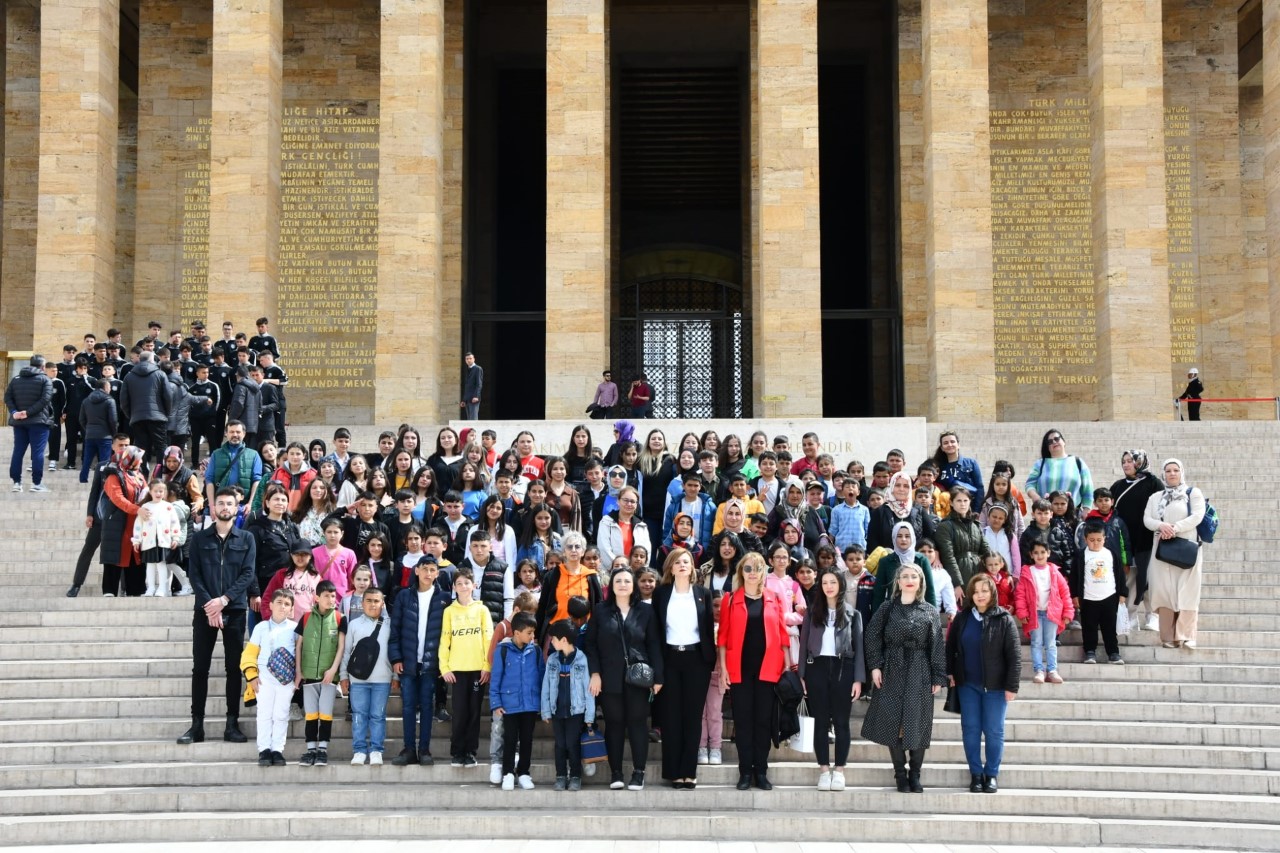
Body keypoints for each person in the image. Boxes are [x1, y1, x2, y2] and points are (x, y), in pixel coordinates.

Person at [178, 486, 257, 746]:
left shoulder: (246, 539)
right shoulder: (201, 539)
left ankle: (231, 725)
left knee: (234, 669)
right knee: (200, 668)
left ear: (237, 508)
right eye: (220, 503)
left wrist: (223, 601)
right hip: (205, 612)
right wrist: (210, 604)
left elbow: (247, 574)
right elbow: (194, 573)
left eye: (229, 504)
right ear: (213, 508)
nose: (224, 507)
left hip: (233, 611)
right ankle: (196, 725)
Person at [861, 562, 947, 793]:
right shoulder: (887, 608)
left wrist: (938, 676)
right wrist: (875, 666)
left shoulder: (929, 610)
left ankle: (915, 774)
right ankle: (900, 774)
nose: (910, 579)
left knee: (917, 722)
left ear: (920, 582)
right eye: (905, 576)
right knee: (892, 722)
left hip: (920, 669)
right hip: (891, 668)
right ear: (898, 582)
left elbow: (937, 644)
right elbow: (871, 636)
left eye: (914, 576)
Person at [583, 566, 664, 790]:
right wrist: (595, 673)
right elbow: (590, 644)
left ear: (634, 585)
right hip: (608, 679)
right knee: (614, 725)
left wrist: (658, 677)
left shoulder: (646, 611)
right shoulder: (600, 611)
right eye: (618, 581)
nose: (623, 585)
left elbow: (654, 644)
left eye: (627, 581)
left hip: (638, 679)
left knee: (638, 725)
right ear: (612, 586)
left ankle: (639, 773)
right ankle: (616, 772)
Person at [717, 551, 791, 791]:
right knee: (743, 721)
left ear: (763, 572)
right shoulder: (730, 599)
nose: (751, 573)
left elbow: (782, 636)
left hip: (769, 670)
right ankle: (745, 771)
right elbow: (723, 639)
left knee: (763, 723)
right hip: (740, 670)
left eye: (756, 569)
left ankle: (761, 771)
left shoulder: (774, 598)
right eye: (747, 569)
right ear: (741, 572)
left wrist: (788, 666)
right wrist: (724, 670)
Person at [945, 572, 1020, 794]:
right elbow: (950, 648)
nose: (980, 595)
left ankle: (992, 774)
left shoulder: (1004, 618)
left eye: (984, 591)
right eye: (976, 591)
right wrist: (950, 673)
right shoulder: (963, 618)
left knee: (994, 731)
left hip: (996, 687)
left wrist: (1011, 686)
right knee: (970, 730)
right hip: (967, 685)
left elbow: (1014, 656)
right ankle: (976, 774)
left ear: (992, 593)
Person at [798, 567, 866, 792]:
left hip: (842, 668)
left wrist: (858, 679)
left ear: (840, 585)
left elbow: (859, 648)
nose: (829, 586)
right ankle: (824, 770)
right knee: (820, 721)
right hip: (816, 667)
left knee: (841, 722)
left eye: (833, 582)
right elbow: (803, 644)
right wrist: (802, 676)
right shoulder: (811, 612)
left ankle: (839, 770)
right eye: (825, 582)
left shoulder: (852, 613)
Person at [652, 548, 715, 789]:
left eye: (686, 562)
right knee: (671, 717)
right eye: (677, 562)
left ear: (692, 567)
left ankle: (689, 771)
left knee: (692, 717)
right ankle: (674, 772)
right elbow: (656, 633)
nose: (681, 565)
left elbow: (708, 629)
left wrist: (708, 661)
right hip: (669, 659)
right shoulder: (661, 594)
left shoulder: (702, 594)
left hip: (696, 659)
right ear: (670, 566)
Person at [389, 555, 449, 766]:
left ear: (437, 573)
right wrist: (396, 657)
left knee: (426, 706)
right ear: (416, 570)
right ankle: (408, 749)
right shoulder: (405, 596)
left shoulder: (444, 598)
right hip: (408, 661)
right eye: (424, 569)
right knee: (407, 707)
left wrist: (445, 662)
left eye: (433, 570)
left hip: (431, 663)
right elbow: (394, 630)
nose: (428, 574)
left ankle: (424, 749)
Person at [1143, 459, 1206, 650]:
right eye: (1168, 470)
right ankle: (1168, 636)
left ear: (1182, 472)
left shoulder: (1192, 493)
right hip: (1162, 549)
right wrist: (1160, 525)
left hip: (1186, 547)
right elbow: (1147, 518)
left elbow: (1197, 515)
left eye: (1176, 470)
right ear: (1163, 474)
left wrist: (1175, 528)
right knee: (1164, 590)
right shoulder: (1155, 497)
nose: (1172, 474)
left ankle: (1186, 636)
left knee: (1188, 590)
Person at [440, 569, 493, 767]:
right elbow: (445, 641)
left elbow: (488, 639)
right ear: (454, 587)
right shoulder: (449, 611)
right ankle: (457, 752)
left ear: (474, 585)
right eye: (459, 583)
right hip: (457, 670)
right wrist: (444, 667)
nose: (463, 586)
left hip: (477, 670)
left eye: (467, 583)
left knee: (474, 713)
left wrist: (487, 666)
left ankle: (470, 752)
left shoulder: (482, 610)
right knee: (460, 712)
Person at [292, 579, 347, 766]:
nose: (331, 599)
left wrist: (333, 670)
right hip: (308, 675)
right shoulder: (306, 618)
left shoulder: (340, 618)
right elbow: (298, 645)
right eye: (327, 596)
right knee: (311, 713)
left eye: (333, 596)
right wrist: (298, 671)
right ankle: (310, 750)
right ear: (317, 597)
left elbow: (341, 647)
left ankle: (322, 749)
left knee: (325, 713)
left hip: (329, 677)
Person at [1110, 450, 1164, 632]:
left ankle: (1153, 615)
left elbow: (1162, 507)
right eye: (1123, 461)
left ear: (1140, 462)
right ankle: (1131, 616)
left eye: (1130, 461)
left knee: (1150, 578)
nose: (1126, 465)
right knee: (1131, 579)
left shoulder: (1154, 483)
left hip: (1148, 539)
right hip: (1126, 541)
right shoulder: (1117, 486)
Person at [489, 610, 545, 790]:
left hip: (530, 704)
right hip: (509, 705)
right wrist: (496, 703)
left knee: (527, 739)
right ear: (517, 632)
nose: (532, 636)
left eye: (533, 632)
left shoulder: (535, 651)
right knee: (510, 739)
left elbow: (542, 677)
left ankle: (524, 773)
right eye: (529, 633)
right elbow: (496, 677)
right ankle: (507, 773)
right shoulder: (503, 650)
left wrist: (543, 703)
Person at [242, 588, 297, 767]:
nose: (283, 607)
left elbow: (300, 654)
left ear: (291, 609)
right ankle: (264, 749)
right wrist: (251, 675)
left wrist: (298, 677)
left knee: (281, 714)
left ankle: (277, 749)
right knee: (264, 713)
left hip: (286, 679)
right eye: (279, 602)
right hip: (264, 677)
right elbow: (250, 653)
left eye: (287, 604)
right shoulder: (261, 627)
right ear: (271, 605)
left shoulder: (295, 628)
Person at [541, 618, 596, 791]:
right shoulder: (552, 660)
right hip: (557, 710)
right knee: (560, 745)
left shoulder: (581, 660)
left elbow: (589, 689)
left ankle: (575, 776)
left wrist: (589, 716)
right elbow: (546, 687)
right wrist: (545, 710)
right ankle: (560, 776)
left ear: (564, 640)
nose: (551, 642)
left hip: (576, 712)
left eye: (553, 639)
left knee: (572, 745)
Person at [340, 587, 393, 766]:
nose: (372, 604)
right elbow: (346, 652)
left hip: (383, 679)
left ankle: (377, 750)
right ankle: (360, 750)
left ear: (382, 603)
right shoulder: (353, 624)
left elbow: (394, 653)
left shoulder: (390, 624)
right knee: (359, 715)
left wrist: (396, 677)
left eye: (376, 601)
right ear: (362, 603)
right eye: (368, 600)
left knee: (378, 715)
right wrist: (343, 675)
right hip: (358, 680)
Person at [1014, 539, 1073, 684]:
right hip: (1035, 614)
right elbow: (1020, 594)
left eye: (1042, 552)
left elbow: (1065, 592)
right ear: (1031, 555)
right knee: (1036, 642)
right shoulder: (1027, 572)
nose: (1039, 555)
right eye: (1036, 553)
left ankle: (1052, 670)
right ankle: (1039, 670)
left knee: (1051, 643)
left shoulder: (1054, 572)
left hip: (1051, 613)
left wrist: (1068, 612)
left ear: (1048, 553)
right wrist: (1022, 613)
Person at [1074, 521, 1127, 664]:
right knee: (1088, 626)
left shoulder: (1111, 554)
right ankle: (1090, 652)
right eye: (1091, 540)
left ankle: (1113, 653)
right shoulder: (1081, 555)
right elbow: (1074, 576)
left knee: (1109, 627)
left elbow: (1120, 575)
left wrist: (1122, 593)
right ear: (1085, 539)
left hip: (1109, 597)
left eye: (1099, 540)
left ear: (1105, 539)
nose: (1095, 543)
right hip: (1088, 598)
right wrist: (1075, 595)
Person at [132, 479, 191, 597]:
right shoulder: (145, 506)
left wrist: (175, 537)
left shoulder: (168, 507)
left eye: (161, 491)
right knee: (150, 564)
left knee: (161, 564)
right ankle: (151, 588)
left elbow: (175, 523)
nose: (159, 493)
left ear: (165, 492)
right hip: (148, 540)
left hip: (164, 540)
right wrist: (136, 539)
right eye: (156, 491)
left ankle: (162, 588)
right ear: (150, 492)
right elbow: (138, 524)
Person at [5, 354, 54, 492]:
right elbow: (45, 400)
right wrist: (28, 412)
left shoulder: (16, 379)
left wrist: (15, 412)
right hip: (38, 421)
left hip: (19, 422)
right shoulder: (45, 380)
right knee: (38, 452)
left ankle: (16, 483)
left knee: (18, 452)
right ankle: (36, 483)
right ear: (43, 366)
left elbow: (7, 397)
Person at [934, 487, 991, 606]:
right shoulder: (945, 526)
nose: (962, 504)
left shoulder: (975, 525)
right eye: (958, 501)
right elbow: (948, 557)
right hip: (960, 572)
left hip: (978, 572)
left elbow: (986, 551)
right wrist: (956, 584)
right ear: (951, 503)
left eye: (965, 501)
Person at [870, 522, 938, 612]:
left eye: (907, 536)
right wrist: (877, 619)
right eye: (899, 536)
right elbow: (879, 594)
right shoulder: (885, 562)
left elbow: (929, 590)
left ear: (912, 538)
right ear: (894, 538)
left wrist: (933, 616)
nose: (903, 539)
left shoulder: (921, 560)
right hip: (893, 612)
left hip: (919, 612)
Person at [119, 350, 171, 468]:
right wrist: (165, 413)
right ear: (151, 360)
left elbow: (123, 401)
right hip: (158, 417)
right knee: (161, 446)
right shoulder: (160, 374)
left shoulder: (129, 376)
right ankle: (160, 474)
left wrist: (131, 415)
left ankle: (141, 475)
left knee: (140, 448)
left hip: (137, 418)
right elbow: (168, 396)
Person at [1025, 428, 1094, 512]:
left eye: (1057, 439)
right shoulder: (1040, 464)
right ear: (1047, 447)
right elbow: (1029, 484)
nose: (1054, 442)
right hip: (1046, 515)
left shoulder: (1078, 462)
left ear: (1064, 442)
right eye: (1050, 442)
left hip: (1073, 515)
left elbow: (1088, 488)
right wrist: (1037, 499)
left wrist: (1086, 510)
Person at [204, 420, 264, 510]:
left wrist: (250, 504)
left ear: (244, 434)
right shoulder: (216, 454)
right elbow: (209, 479)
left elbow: (257, 480)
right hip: (221, 503)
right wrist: (212, 505)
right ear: (226, 434)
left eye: (238, 432)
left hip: (243, 505)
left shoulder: (253, 455)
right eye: (231, 432)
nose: (235, 435)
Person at [931, 430, 984, 498]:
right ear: (942, 448)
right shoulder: (938, 467)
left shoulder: (971, 463)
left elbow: (979, 488)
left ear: (958, 445)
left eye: (952, 442)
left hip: (968, 505)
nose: (950, 445)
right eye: (946, 443)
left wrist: (976, 508)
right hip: (946, 506)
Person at [460, 352, 483, 420]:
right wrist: (464, 400)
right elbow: (466, 386)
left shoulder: (478, 369)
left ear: (474, 359)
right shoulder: (466, 369)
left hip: (474, 398)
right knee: (469, 419)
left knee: (473, 418)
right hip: (467, 399)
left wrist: (476, 396)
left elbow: (479, 384)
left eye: (470, 358)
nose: (468, 360)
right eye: (467, 359)